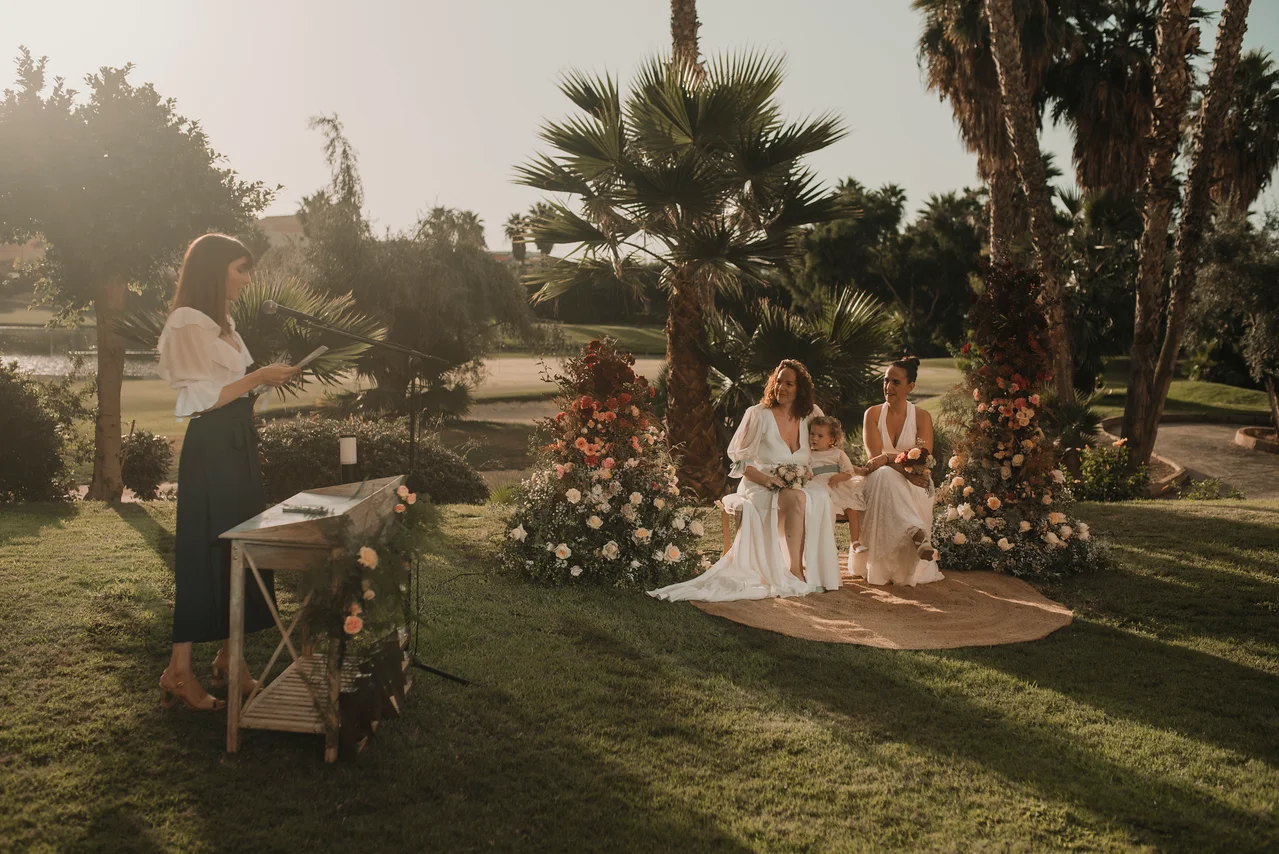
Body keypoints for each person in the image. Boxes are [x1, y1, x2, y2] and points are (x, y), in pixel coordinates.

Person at [156, 233, 298, 711]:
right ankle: (178, 670)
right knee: (205, 548)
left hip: (239, 445)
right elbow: (198, 399)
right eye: (241, 269)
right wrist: (257, 377)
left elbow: (235, 389)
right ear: (215, 270)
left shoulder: (227, 326)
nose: (247, 279)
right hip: (212, 448)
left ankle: (230, 661)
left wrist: (264, 382)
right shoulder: (187, 322)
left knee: (241, 548)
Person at [648, 360, 840, 602]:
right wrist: (766, 479)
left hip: (798, 484)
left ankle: (816, 570)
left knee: (819, 496)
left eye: (789, 384)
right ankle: (794, 571)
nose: (781, 388)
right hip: (759, 484)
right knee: (798, 499)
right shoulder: (759, 414)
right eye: (778, 381)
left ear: (800, 389)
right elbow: (739, 460)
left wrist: (814, 474)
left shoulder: (811, 414)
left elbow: (824, 449)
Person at [858, 356, 944, 587]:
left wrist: (888, 458)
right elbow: (874, 461)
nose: (888, 386)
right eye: (886, 380)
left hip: (915, 482)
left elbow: (922, 462)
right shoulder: (872, 414)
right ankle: (916, 533)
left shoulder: (922, 417)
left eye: (896, 382)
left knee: (889, 476)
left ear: (910, 387)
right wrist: (899, 468)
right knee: (885, 475)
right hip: (880, 480)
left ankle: (910, 544)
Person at [807, 415, 870, 567]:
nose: (814, 438)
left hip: (838, 487)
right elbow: (807, 471)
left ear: (831, 440)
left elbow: (849, 471)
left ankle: (855, 542)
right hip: (820, 488)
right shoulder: (808, 454)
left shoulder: (837, 454)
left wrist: (839, 477)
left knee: (852, 510)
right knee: (826, 513)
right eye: (812, 434)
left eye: (820, 436)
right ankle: (827, 546)